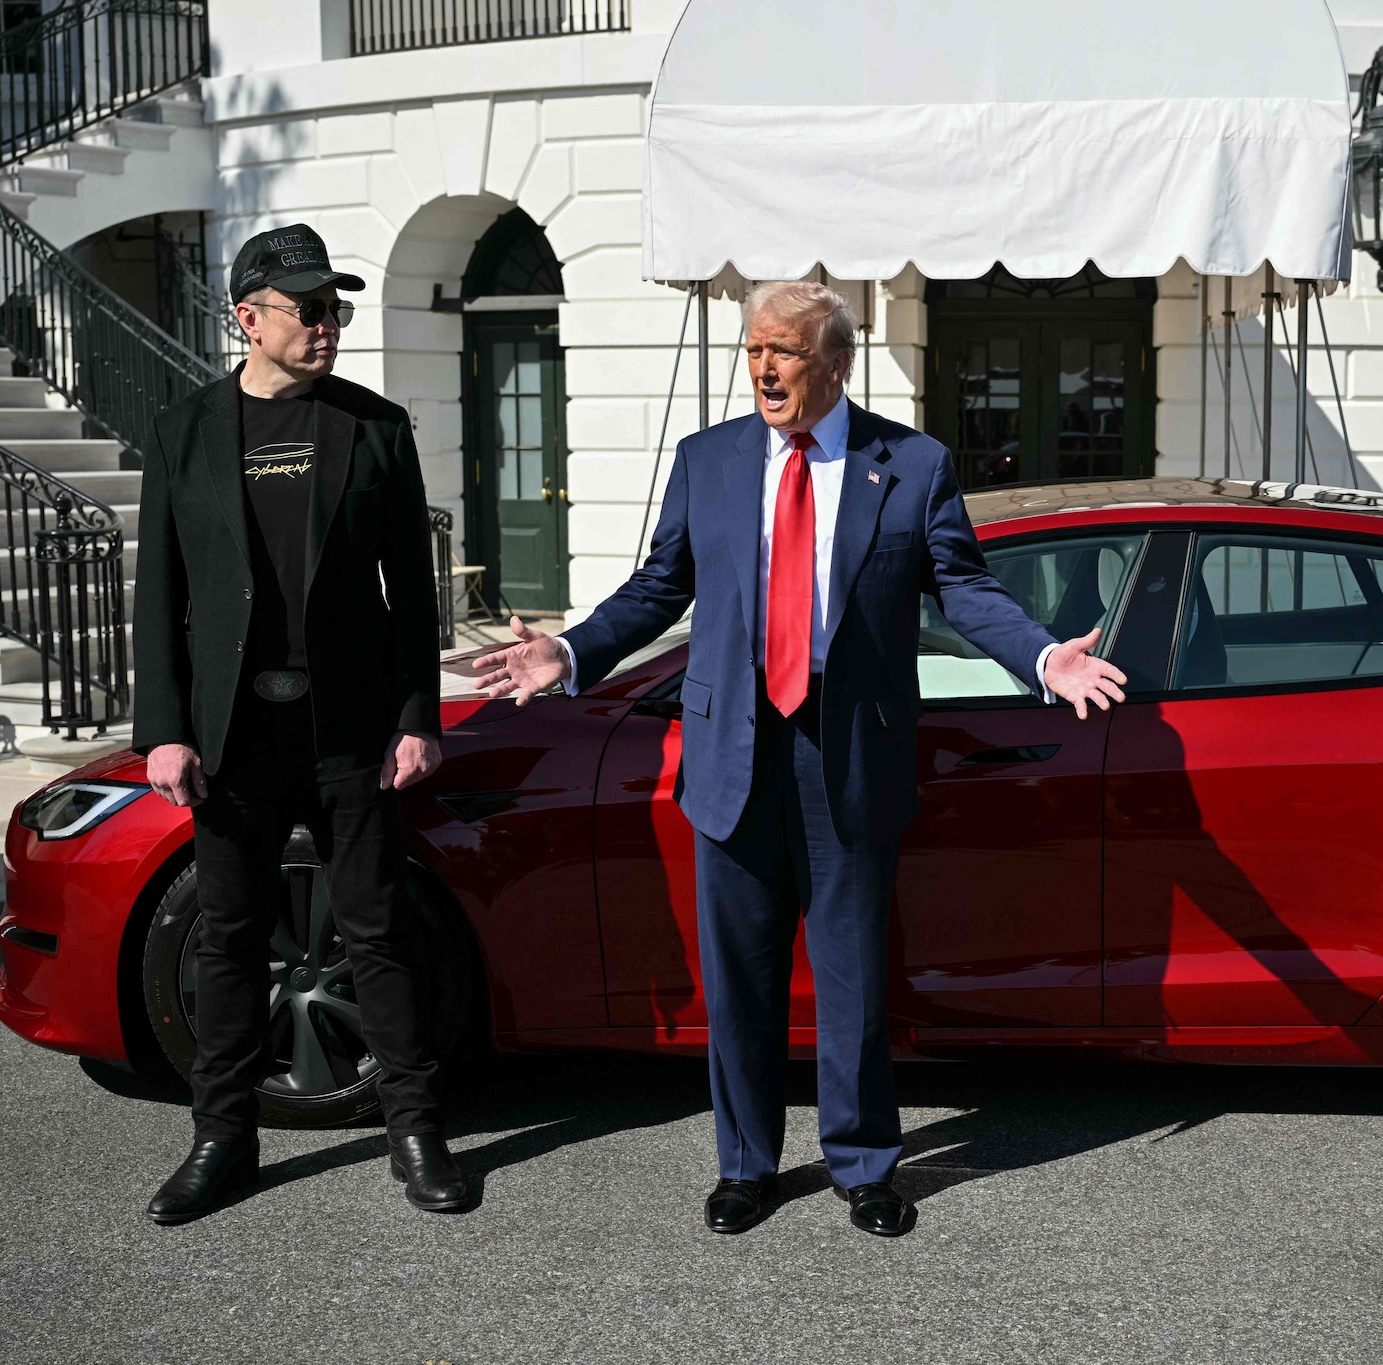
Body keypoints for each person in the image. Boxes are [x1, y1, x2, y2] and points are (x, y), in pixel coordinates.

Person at [473, 281, 1126, 1237]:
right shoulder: (711, 460)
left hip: (848, 751)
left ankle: (864, 1164)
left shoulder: (910, 462)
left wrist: (1039, 654)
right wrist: (570, 651)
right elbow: (659, 587)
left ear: (837, 363)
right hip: (735, 748)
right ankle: (747, 1164)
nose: (765, 369)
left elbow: (964, 587)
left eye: (784, 351)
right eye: (752, 351)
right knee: (739, 976)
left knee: (852, 975)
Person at [133, 224, 459, 1223]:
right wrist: (165, 728)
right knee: (228, 940)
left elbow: (413, 590)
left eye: (335, 309)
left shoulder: (373, 427)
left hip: (352, 729)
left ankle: (414, 1130)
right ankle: (222, 1138)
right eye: (309, 309)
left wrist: (417, 715)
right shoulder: (183, 432)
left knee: (379, 931)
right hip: (233, 738)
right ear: (249, 318)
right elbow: (158, 595)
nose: (327, 326)